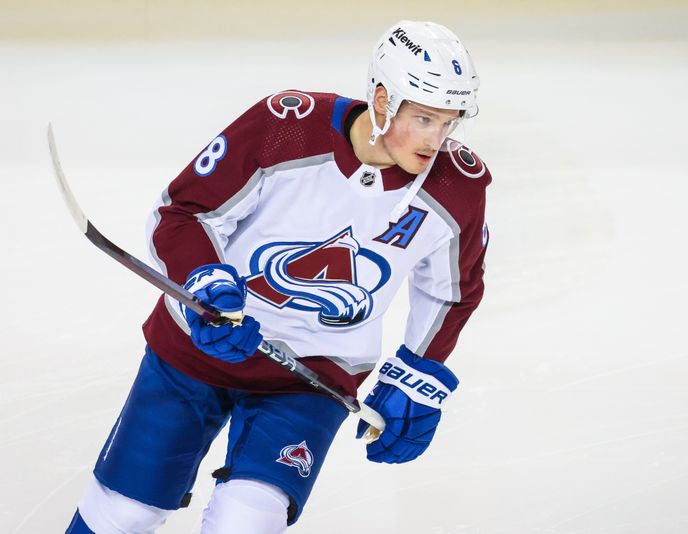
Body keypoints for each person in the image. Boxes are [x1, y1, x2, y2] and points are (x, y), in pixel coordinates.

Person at [66, 19, 491, 533]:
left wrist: (418, 375)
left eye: (449, 123)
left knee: (248, 521)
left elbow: (453, 292)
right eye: (424, 119)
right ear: (382, 100)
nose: (437, 139)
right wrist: (206, 284)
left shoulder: (456, 186)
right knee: (123, 513)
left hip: (310, 379)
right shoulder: (284, 127)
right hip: (198, 348)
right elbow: (183, 212)